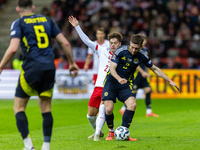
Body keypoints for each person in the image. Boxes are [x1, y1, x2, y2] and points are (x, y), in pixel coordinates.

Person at [0, 1, 79, 150]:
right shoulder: (47, 20)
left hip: (31, 68)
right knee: (46, 108)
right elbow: (66, 44)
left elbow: (13, 48)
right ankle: (46, 146)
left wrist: (1, 66)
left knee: (19, 108)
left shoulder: (19, 23)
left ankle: (28, 146)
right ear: (33, 7)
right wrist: (72, 63)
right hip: (49, 68)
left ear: (17, 9)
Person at [102, 34, 179, 141]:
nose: (133, 50)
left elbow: (155, 69)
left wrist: (169, 80)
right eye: (132, 47)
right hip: (112, 81)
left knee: (132, 105)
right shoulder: (120, 51)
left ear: (141, 46)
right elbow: (112, 68)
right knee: (109, 109)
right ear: (130, 43)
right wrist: (119, 78)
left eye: (136, 48)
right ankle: (111, 131)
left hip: (125, 83)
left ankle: (124, 132)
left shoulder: (142, 56)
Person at [68, 15, 122, 141]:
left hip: (109, 86)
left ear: (118, 44)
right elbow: (87, 41)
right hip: (98, 86)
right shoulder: (102, 50)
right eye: (112, 43)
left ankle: (97, 134)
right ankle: (97, 131)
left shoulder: (122, 56)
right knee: (90, 116)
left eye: (115, 43)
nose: (113, 45)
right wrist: (77, 27)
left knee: (103, 107)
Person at [119, 34, 159, 117]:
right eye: (143, 40)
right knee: (134, 93)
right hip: (137, 74)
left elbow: (146, 63)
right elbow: (135, 64)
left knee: (148, 90)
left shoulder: (145, 50)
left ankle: (149, 111)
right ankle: (123, 108)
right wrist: (142, 72)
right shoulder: (135, 50)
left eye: (145, 40)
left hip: (144, 74)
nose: (144, 42)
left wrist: (147, 73)